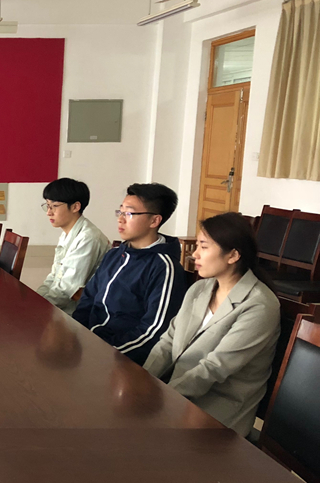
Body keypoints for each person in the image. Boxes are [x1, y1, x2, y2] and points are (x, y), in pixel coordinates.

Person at [143, 212, 280, 436]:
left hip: (217, 409)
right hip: (179, 393)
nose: (194, 254)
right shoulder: (200, 288)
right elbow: (168, 341)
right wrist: (144, 381)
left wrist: (161, 396)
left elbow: (216, 367)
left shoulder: (259, 306)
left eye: (204, 247)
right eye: (197, 245)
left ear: (233, 255)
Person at [73, 183, 187, 366]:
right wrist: (75, 335)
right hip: (90, 346)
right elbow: (88, 299)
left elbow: (153, 332)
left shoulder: (164, 267)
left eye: (129, 214)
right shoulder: (115, 254)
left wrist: (104, 354)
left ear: (154, 221)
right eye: (120, 212)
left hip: (121, 360)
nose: (121, 219)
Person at [35, 178, 110, 315]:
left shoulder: (88, 238)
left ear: (75, 207)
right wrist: (34, 300)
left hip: (78, 314)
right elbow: (54, 277)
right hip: (61, 308)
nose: (48, 212)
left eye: (54, 206)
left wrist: (36, 308)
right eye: (47, 205)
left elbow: (66, 290)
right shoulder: (67, 233)